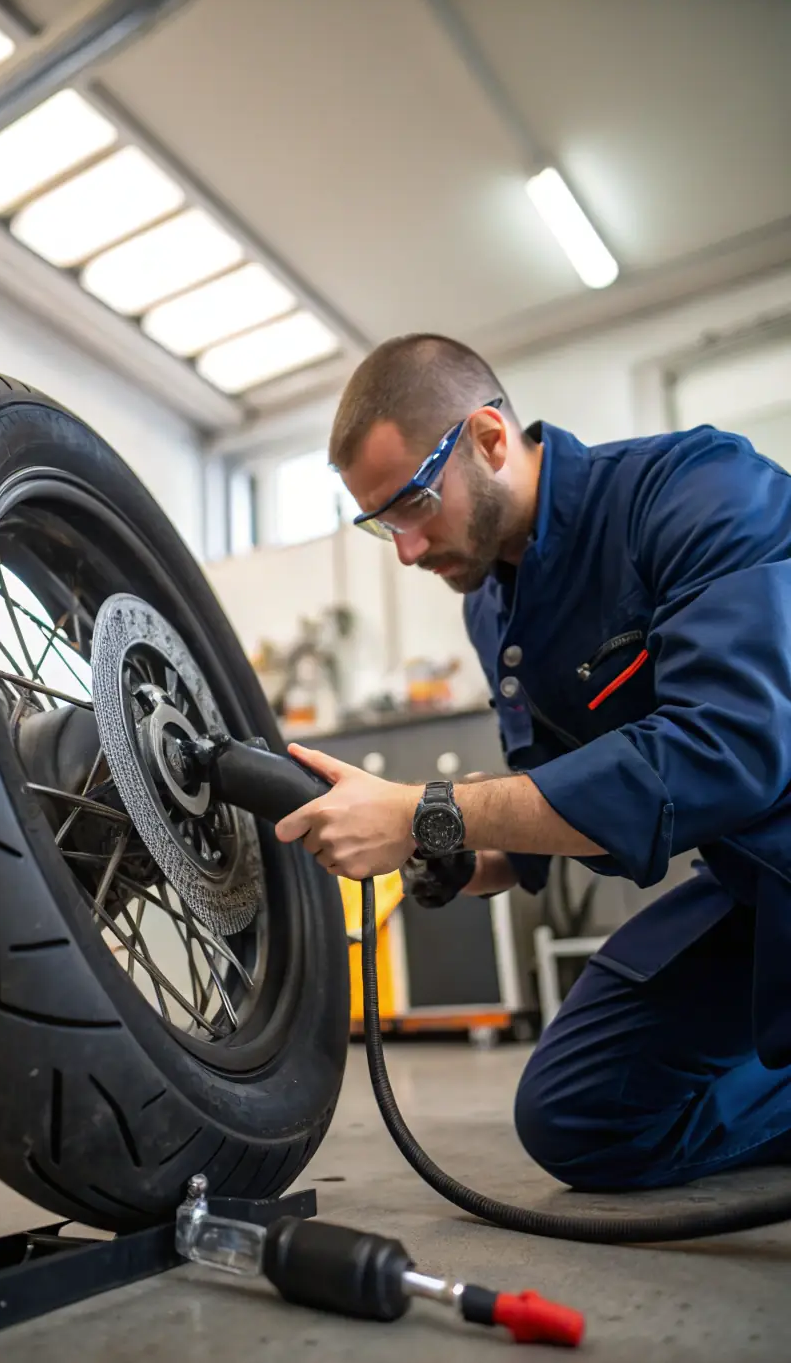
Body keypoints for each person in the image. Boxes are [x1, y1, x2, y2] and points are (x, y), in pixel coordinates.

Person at [275, 333, 791, 1193]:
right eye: (381, 524)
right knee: (577, 1114)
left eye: (412, 504)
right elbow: (556, 796)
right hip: (751, 884)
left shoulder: (699, 488)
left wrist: (421, 808)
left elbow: (725, 752)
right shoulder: (490, 605)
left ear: (487, 438)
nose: (404, 549)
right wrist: (467, 854)